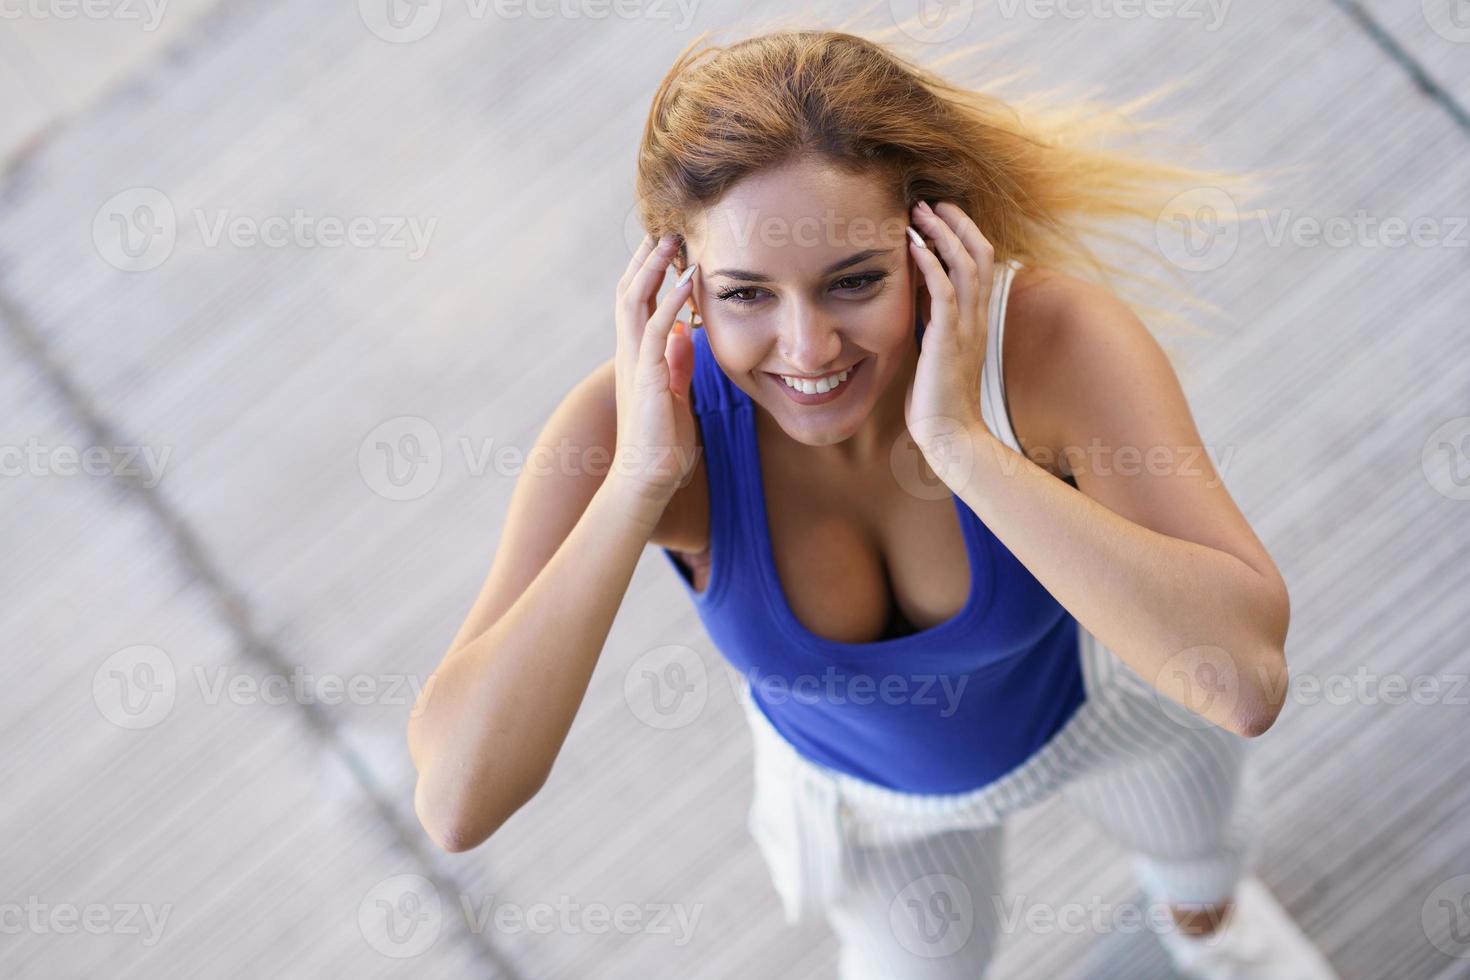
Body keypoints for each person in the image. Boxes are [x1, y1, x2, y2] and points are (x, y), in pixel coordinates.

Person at [407, 28, 1337, 979]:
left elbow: (1242, 683)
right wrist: (639, 482)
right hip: (864, 801)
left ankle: (1210, 932)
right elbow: (456, 801)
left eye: (854, 281)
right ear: (677, 285)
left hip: (1106, 711)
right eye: (744, 295)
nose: (807, 349)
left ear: (928, 240)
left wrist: (965, 447)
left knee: (1200, 863)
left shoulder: (1048, 344)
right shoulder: (632, 425)